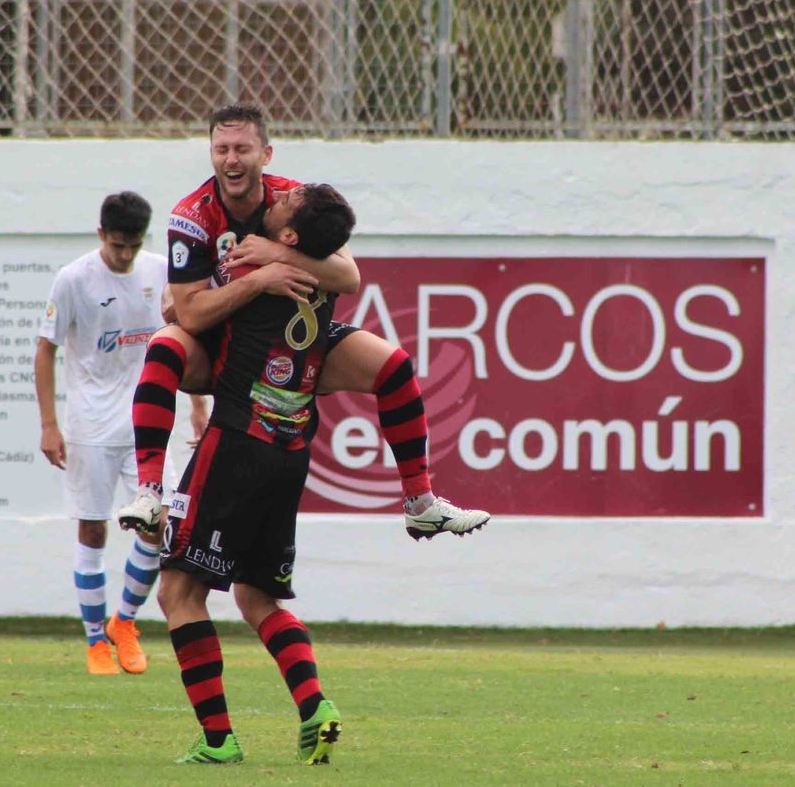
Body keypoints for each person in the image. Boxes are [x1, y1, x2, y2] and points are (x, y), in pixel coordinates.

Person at [118, 103, 490, 540]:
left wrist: (275, 254)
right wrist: (261, 282)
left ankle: (420, 503)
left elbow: (348, 276)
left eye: (242, 148)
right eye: (221, 149)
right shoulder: (193, 216)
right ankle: (149, 493)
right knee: (164, 344)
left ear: (266, 154)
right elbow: (191, 313)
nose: (231, 159)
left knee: (394, 366)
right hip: (221, 347)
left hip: (292, 349)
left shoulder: (293, 202)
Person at [141, 182, 356, 764]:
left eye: (288, 205)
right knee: (258, 595)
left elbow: (181, 311)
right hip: (291, 449)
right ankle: (316, 708)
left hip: (237, 441)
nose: (278, 200)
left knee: (180, 592)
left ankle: (218, 741)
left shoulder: (253, 257)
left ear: (288, 235)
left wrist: (233, 278)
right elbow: (347, 274)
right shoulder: (318, 270)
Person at [34, 191, 208, 675]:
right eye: (116, 246)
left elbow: (185, 337)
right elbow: (45, 350)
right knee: (93, 528)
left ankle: (124, 622)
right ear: (100, 236)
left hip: (148, 424)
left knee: (162, 525)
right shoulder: (73, 279)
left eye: (132, 246)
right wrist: (49, 424)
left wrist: (197, 404)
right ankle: (94, 642)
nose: (125, 255)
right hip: (90, 426)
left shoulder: (160, 273)